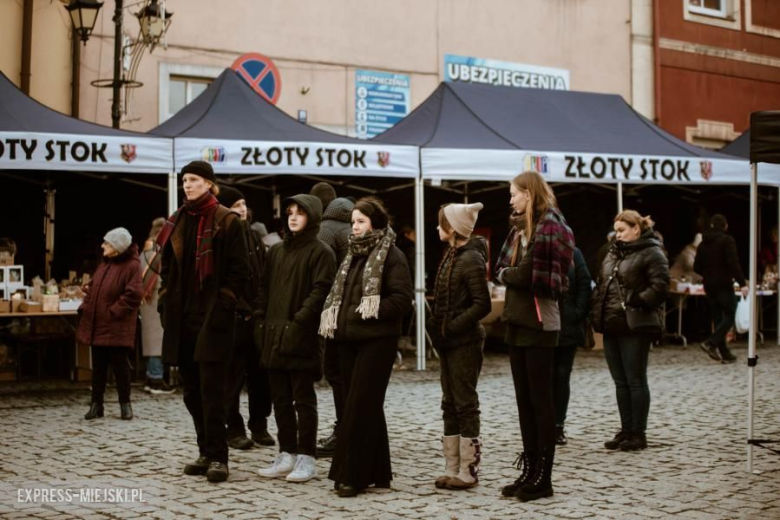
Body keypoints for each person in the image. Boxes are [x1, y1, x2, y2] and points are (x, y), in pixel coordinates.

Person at [157, 161, 250, 483]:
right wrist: (165, 296)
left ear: (209, 184)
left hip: (213, 316)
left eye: (193, 180)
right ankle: (205, 450)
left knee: (213, 390)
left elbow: (240, 272)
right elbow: (166, 266)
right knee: (191, 391)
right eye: (184, 180)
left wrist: (225, 302)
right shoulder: (177, 220)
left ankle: (219, 457)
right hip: (182, 317)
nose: (187, 185)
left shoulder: (226, 220)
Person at [319, 197, 413, 497]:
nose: (355, 227)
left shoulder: (393, 255)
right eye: (353, 222)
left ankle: (353, 475)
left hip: (376, 341)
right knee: (361, 407)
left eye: (361, 222)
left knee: (360, 407)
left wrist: (370, 310)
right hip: (348, 341)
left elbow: (401, 300)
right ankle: (379, 472)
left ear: (376, 224)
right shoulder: (352, 255)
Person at [496, 171, 574, 503]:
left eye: (514, 193)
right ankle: (529, 469)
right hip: (518, 320)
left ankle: (545, 476)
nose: (511, 199)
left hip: (540, 324)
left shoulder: (551, 228)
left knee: (541, 404)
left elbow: (527, 274)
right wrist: (510, 274)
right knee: (524, 404)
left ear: (529, 193)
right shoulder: (521, 231)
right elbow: (503, 269)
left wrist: (508, 274)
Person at [256, 194, 336, 483]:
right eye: (290, 212)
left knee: (303, 399)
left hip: (301, 335)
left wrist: (300, 321)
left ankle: (306, 457)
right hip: (274, 333)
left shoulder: (321, 252)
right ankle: (286, 452)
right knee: (279, 399)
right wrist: (260, 321)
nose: (292, 217)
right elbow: (264, 288)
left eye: (299, 213)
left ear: (311, 217)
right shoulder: (276, 252)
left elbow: (320, 291)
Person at [591, 210, 669, 453]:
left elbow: (661, 286)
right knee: (620, 381)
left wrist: (638, 299)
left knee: (635, 379)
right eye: (616, 230)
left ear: (637, 228)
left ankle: (638, 432)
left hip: (636, 323)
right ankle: (626, 429)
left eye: (623, 230)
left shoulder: (652, 252)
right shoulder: (613, 253)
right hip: (612, 322)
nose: (618, 235)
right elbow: (603, 283)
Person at [429, 203, 491, 490]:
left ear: (452, 229)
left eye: (441, 224)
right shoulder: (452, 255)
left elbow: (482, 304)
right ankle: (451, 467)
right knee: (449, 403)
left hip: (465, 341)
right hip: (449, 342)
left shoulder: (471, 259)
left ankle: (468, 470)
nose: (437, 228)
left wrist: (451, 327)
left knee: (465, 404)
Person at [217, 185, 275, 450]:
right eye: (235, 205)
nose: (241, 210)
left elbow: (262, 276)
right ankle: (233, 428)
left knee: (260, 376)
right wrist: (240, 307)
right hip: (233, 319)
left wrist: (261, 307)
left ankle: (259, 424)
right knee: (232, 378)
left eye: (243, 204)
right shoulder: (221, 237)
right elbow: (222, 281)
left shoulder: (253, 236)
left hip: (257, 317)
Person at [77, 227, 143, 421]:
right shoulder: (104, 264)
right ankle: (96, 405)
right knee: (98, 367)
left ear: (117, 247)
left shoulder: (132, 266)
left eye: (106, 243)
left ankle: (125, 405)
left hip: (116, 325)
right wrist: (86, 307)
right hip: (99, 324)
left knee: (120, 366)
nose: (102, 246)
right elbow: (94, 289)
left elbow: (134, 294)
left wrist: (113, 311)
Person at [311, 182, 355, 458]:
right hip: (351, 309)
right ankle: (350, 428)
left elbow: (316, 267)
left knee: (337, 374)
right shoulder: (352, 225)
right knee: (347, 375)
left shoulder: (326, 230)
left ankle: (344, 432)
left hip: (334, 311)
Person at [693, 214, 749, 364]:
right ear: (725, 226)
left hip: (708, 284)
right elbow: (733, 263)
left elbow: (696, 267)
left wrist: (708, 273)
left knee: (718, 318)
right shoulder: (727, 240)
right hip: (723, 283)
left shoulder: (702, 244)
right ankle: (710, 343)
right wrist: (742, 283)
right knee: (730, 313)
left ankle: (724, 353)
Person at [553, 247, 592, 446]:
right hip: (541, 324)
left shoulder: (573, 253)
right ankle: (541, 424)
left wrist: (577, 313)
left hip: (567, 323)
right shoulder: (530, 248)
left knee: (561, 375)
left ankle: (558, 425)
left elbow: (585, 284)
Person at [140, 217, 175, 395]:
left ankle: (150, 377)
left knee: (152, 341)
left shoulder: (146, 251)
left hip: (148, 302)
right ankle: (156, 379)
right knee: (157, 343)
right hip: (155, 300)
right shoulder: (158, 251)